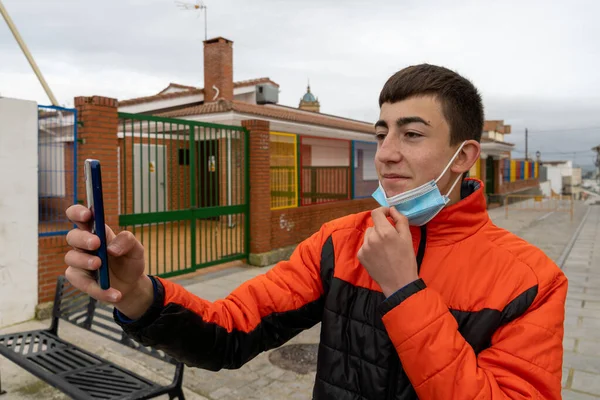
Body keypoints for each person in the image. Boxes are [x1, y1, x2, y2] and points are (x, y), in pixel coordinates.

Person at [64, 64, 567, 399]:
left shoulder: (530, 281)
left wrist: (404, 291)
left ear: (464, 156)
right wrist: (139, 295)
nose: (387, 152)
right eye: (381, 133)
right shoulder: (339, 241)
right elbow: (230, 330)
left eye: (411, 134)